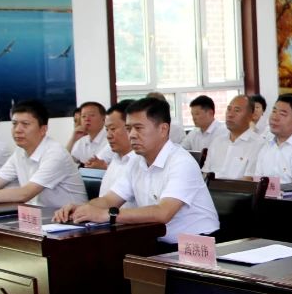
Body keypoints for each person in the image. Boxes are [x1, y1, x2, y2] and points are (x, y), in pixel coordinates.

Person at [54, 97, 218, 245]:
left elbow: (163, 213)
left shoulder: (181, 162)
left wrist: (106, 215)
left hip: (198, 244)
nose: (132, 135)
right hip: (156, 240)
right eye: (128, 128)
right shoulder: (136, 161)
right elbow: (110, 200)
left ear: (163, 129)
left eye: (139, 128)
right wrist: (81, 209)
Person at [0, 100, 86, 208]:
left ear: (43, 129)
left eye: (25, 124)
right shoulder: (19, 152)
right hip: (39, 218)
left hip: (71, 222)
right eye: (14, 124)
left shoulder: (55, 154)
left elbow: (25, 193)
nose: (17, 130)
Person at [202, 95, 265, 180]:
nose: (230, 114)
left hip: (236, 188)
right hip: (210, 188)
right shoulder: (217, 141)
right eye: (229, 109)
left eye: (237, 110)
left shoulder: (259, 144)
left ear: (251, 116)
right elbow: (205, 174)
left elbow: (249, 181)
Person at [98, 100, 135, 198]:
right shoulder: (116, 159)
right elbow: (105, 200)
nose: (108, 136)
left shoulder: (140, 162)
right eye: (107, 130)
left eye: (113, 129)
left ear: (130, 128)